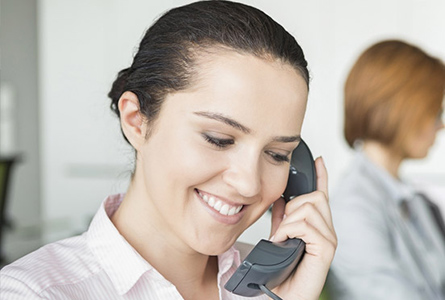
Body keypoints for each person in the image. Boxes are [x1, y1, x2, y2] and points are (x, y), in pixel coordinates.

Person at [0, 1, 337, 299]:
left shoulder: (272, 289)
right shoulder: (31, 292)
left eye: (277, 154)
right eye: (218, 139)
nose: (249, 184)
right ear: (136, 121)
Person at [327, 40, 445, 299]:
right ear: (403, 111)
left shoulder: (412, 199)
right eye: (436, 113)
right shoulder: (353, 207)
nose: (441, 126)